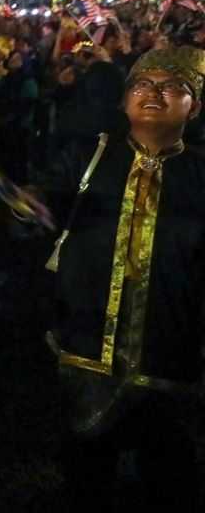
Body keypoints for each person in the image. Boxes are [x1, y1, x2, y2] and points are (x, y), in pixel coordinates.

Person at [39, 46, 205, 513]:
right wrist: (27, 205)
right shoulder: (88, 156)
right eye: (142, 84)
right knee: (87, 472)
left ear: (194, 106)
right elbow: (44, 206)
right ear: (124, 99)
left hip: (170, 350)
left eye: (171, 87)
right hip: (88, 343)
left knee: (170, 475)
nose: (153, 93)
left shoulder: (200, 172)